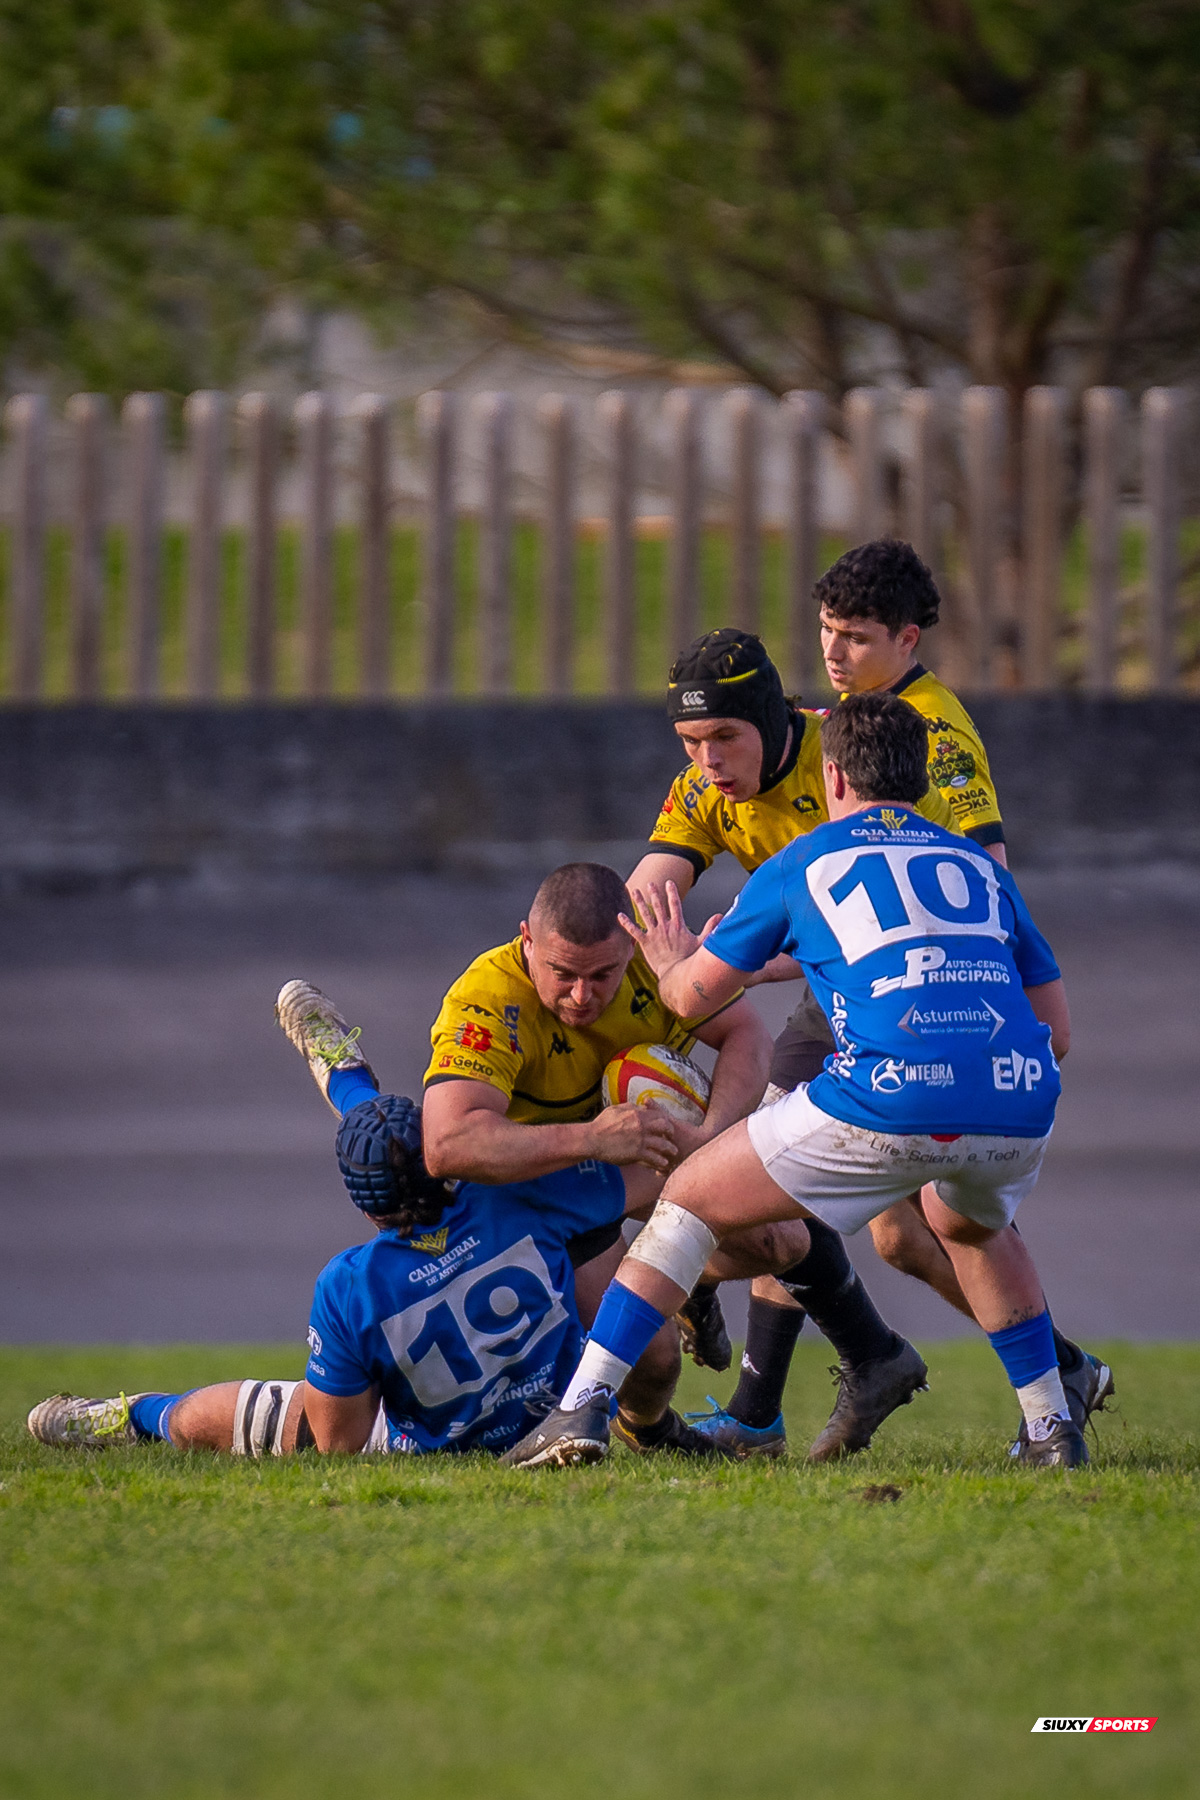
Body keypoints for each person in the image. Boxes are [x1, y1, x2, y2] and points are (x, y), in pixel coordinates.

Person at [505, 693, 1088, 1472]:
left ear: (834, 773)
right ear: (917, 779)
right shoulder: (978, 865)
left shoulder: (806, 861)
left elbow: (688, 999)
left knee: (689, 1199)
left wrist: (672, 955)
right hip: (1019, 1099)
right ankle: (1052, 1431)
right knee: (971, 1228)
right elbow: (1059, 1031)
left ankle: (581, 1409)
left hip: (892, 1092)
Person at [629, 568, 1111, 1458]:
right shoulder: (706, 781)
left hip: (906, 984)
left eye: (854, 633)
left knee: (797, 1193)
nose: (834, 650)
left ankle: (770, 1400)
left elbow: (978, 872)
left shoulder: (888, 742)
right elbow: (651, 890)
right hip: (834, 978)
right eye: (827, 630)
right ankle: (1050, 1374)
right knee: (896, 1229)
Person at [279, 863, 826, 1459]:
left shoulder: (652, 958)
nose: (582, 995)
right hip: (525, 1192)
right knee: (387, 1143)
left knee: (781, 1242)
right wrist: (591, 1139)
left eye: (602, 975)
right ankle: (342, 1067)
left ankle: (671, 1380)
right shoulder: (488, 997)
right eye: (562, 974)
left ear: (628, 945)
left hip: (619, 1156)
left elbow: (746, 1030)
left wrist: (710, 1138)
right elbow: (447, 1147)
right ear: (527, 941)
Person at [28, 1070, 666, 1461]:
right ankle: (661, 1417)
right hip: (568, 1413)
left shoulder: (351, 1284)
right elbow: (651, 1181)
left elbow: (338, 1442)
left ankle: (136, 1416)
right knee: (596, 1240)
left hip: (422, 1442)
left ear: (366, 1209)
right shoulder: (521, 1188)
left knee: (258, 1419)